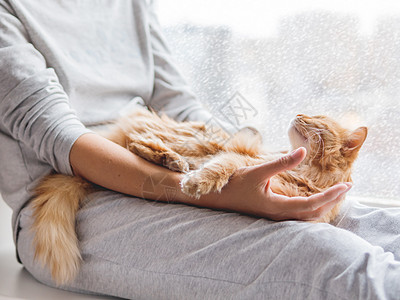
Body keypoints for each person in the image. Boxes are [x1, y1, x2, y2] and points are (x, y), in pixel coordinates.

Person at [0, 1, 399, 299]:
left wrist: (243, 167)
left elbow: (178, 104)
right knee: (325, 255)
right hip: (77, 194)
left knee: (375, 223)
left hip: (169, 156)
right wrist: (218, 191)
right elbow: (59, 138)